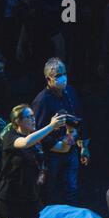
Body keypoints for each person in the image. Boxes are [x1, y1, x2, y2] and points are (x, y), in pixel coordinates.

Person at [31, 58, 89, 206]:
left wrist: (83, 146)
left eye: (64, 73)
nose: (62, 78)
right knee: (50, 192)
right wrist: (58, 146)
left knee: (72, 190)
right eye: (57, 76)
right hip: (52, 155)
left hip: (71, 149)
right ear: (48, 79)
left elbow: (79, 117)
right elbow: (36, 132)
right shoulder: (42, 101)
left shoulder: (70, 91)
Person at [0, 105, 68, 218]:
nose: (33, 119)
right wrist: (51, 126)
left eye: (33, 116)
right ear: (18, 121)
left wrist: (70, 132)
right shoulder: (10, 136)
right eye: (29, 117)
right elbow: (25, 142)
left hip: (30, 194)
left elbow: (63, 148)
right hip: (10, 196)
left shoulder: (37, 136)